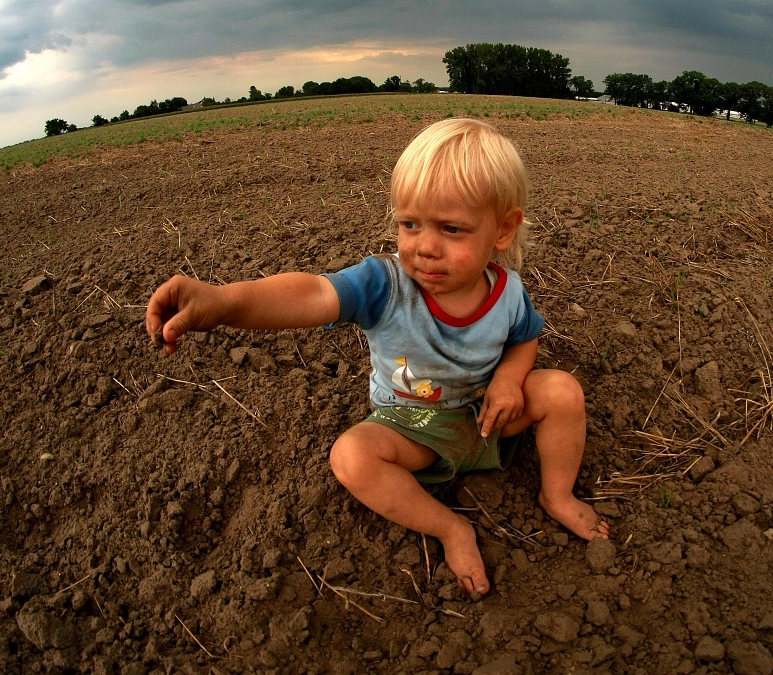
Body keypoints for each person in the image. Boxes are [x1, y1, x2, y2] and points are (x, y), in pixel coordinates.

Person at [145, 118, 609, 596]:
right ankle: (450, 527)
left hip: (488, 415)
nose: (425, 247)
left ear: (503, 230)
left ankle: (557, 495)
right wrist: (223, 303)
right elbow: (310, 294)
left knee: (562, 390)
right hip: (412, 426)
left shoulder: (509, 291)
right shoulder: (384, 285)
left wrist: (510, 380)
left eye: (451, 229)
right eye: (410, 224)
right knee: (352, 457)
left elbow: (523, 339)